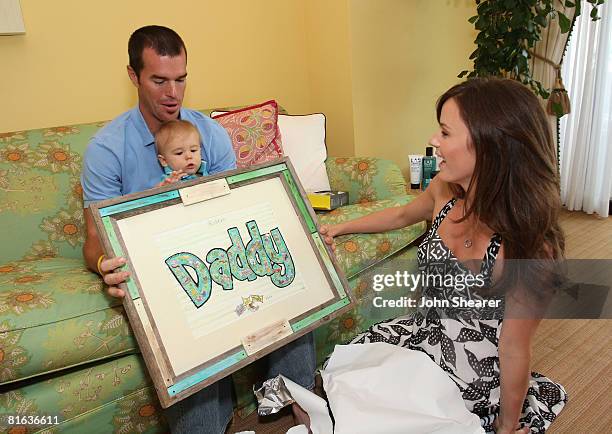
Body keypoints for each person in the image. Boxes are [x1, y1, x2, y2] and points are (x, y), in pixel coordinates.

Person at [81, 25, 315, 434]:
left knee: (288, 285)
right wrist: (105, 264)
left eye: (180, 79)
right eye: (159, 80)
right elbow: (92, 243)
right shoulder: (106, 149)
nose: (173, 93)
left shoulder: (208, 133)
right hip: (165, 278)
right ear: (134, 77)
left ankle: (295, 411)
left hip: (224, 257)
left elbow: (239, 209)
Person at [320, 77, 566, 434]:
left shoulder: (530, 248)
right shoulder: (442, 191)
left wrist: (507, 426)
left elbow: (513, 348)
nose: (434, 140)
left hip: (473, 366)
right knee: (344, 382)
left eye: (445, 132)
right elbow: (402, 215)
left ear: (491, 146)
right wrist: (341, 228)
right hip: (425, 328)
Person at [155, 119, 209, 186]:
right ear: (164, 161)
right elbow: (157, 195)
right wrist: (166, 189)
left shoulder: (204, 172)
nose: (189, 156)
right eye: (179, 153)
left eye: (193, 150)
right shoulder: (168, 181)